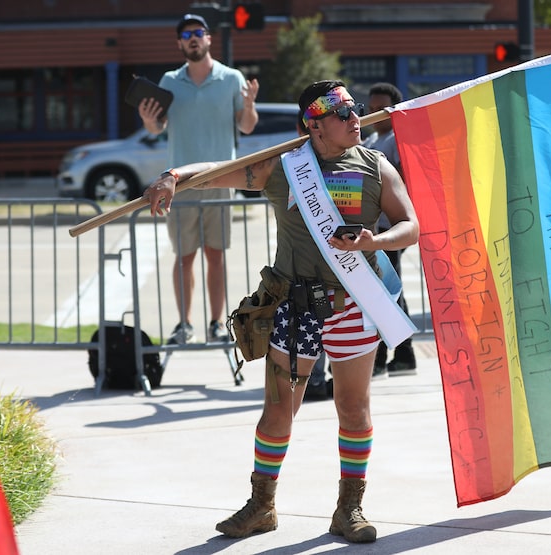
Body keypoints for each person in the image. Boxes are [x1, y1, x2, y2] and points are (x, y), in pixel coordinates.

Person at [141, 80, 419, 543]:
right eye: (344, 114)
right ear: (315, 125)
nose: (357, 120)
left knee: (353, 408)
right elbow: (216, 171)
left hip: (355, 306)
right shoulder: (285, 169)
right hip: (295, 307)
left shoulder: (376, 166)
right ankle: (261, 506)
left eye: (354, 111)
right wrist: (171, 175)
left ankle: (349, 509)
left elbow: (410, 226)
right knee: (277, 412)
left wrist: (376, 241)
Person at [138, 13, 259, 345]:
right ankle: (184, 324)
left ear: (208, 39)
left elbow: (246, 126)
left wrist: (249, 106)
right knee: (185, 256)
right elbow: (157, 129)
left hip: (221, 180)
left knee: (216, 254)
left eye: (199, 32)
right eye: (186, 34)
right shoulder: (169, 81)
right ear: (179, 43)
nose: (193, 38)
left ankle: (217, 323)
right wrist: (149, 122)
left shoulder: (232, 78)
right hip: (179, 184)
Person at [362, 82, 417, 379]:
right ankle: (400, 352)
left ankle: (387, 354)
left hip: (390, 227)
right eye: (369, 109)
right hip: (374, 229)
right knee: (388, 290)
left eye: (379, 109)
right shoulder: (371, 140)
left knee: (387, 291)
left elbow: (404, 181)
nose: (373, 114)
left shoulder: (397, 140)